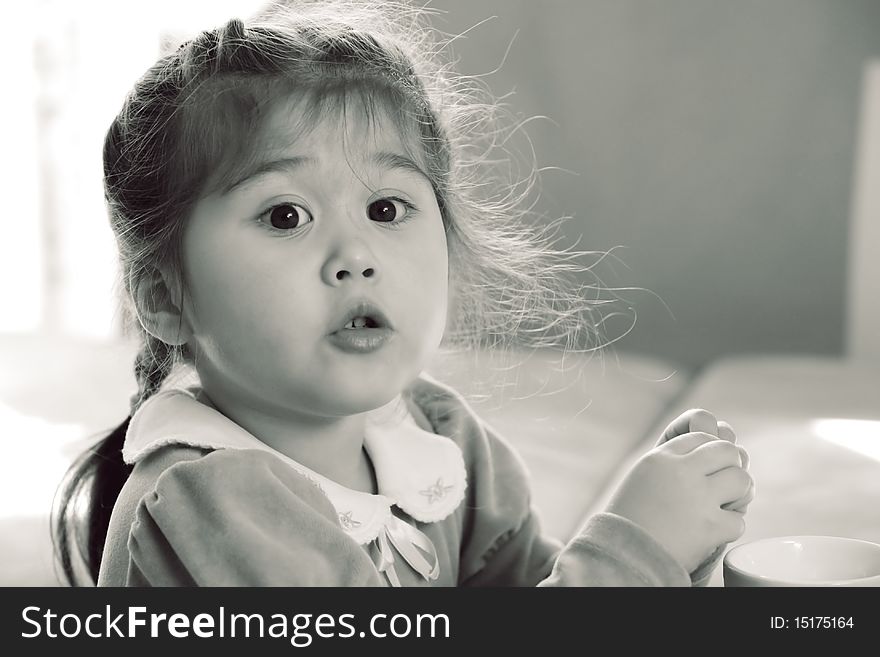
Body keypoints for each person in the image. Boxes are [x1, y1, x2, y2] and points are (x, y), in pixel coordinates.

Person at [53, 0, 753, 587]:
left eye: (386, 209)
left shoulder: (436, 438)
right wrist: (633, 547)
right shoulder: (207, 503)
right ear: (167, 298)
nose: (355, 256)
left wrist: (679, 544)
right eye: (285, 215)